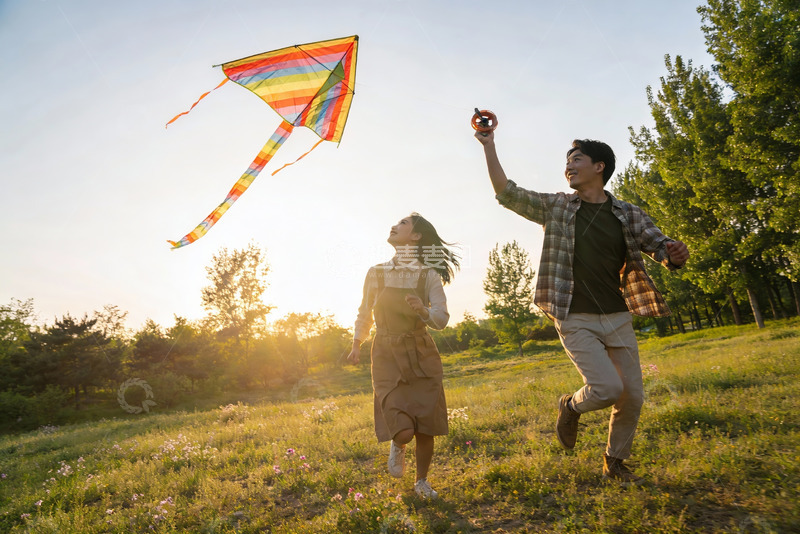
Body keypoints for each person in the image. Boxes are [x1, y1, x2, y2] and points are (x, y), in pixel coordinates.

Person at [475, 129, 689, 485]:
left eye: (576, 160)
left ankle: (615, 462)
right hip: (574, 315)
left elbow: (660, 245)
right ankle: (570, 406)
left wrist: (675, 254)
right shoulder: (557, 206)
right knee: (606, 388)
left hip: (617, 314)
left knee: (632, 395)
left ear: (599, 167)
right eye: (567, 162)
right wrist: (489, 145)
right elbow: (507, 193)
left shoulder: (627, 213)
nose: (568, 167)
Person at [346, 213, 459, 498]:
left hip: (421, 352)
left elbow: (441, 319)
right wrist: (357, 342)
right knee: (405, 430)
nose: (394, 226)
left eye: (403, 224)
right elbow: (364, 311)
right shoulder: (376, 273)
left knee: (426, 426)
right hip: (385, 352)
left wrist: (423, 310)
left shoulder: (428, 274)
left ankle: (422, 481)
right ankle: (398, 443)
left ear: (417, 236)